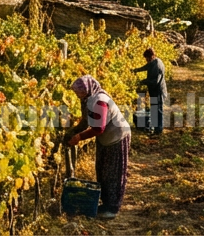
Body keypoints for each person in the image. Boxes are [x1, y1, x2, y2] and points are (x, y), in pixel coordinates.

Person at [65, 75, 132, 220]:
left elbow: (98, 129)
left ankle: (112, 208)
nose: (77, 95)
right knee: (102, 170)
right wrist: (72, 132)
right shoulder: (87, 99)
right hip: (106, 139)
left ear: (87, 89)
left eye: (79, 92)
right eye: (76, 92)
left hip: (117, 137)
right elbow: (85, 122)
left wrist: (79, 137)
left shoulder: (99, 102)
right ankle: (105, 204)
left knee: (113, 173)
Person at [132, 48, 167, 135]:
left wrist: (143, 81)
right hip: (154, 91)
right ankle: (156, 129)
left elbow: (155, 81)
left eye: (147, 58)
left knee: (157, 110)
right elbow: (146, 67)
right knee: (155, 110)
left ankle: (158, 131)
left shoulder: (157, 65)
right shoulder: (153, 62)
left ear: (151, 56)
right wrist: (136, 70)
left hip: (158, 91)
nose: (146, 60)